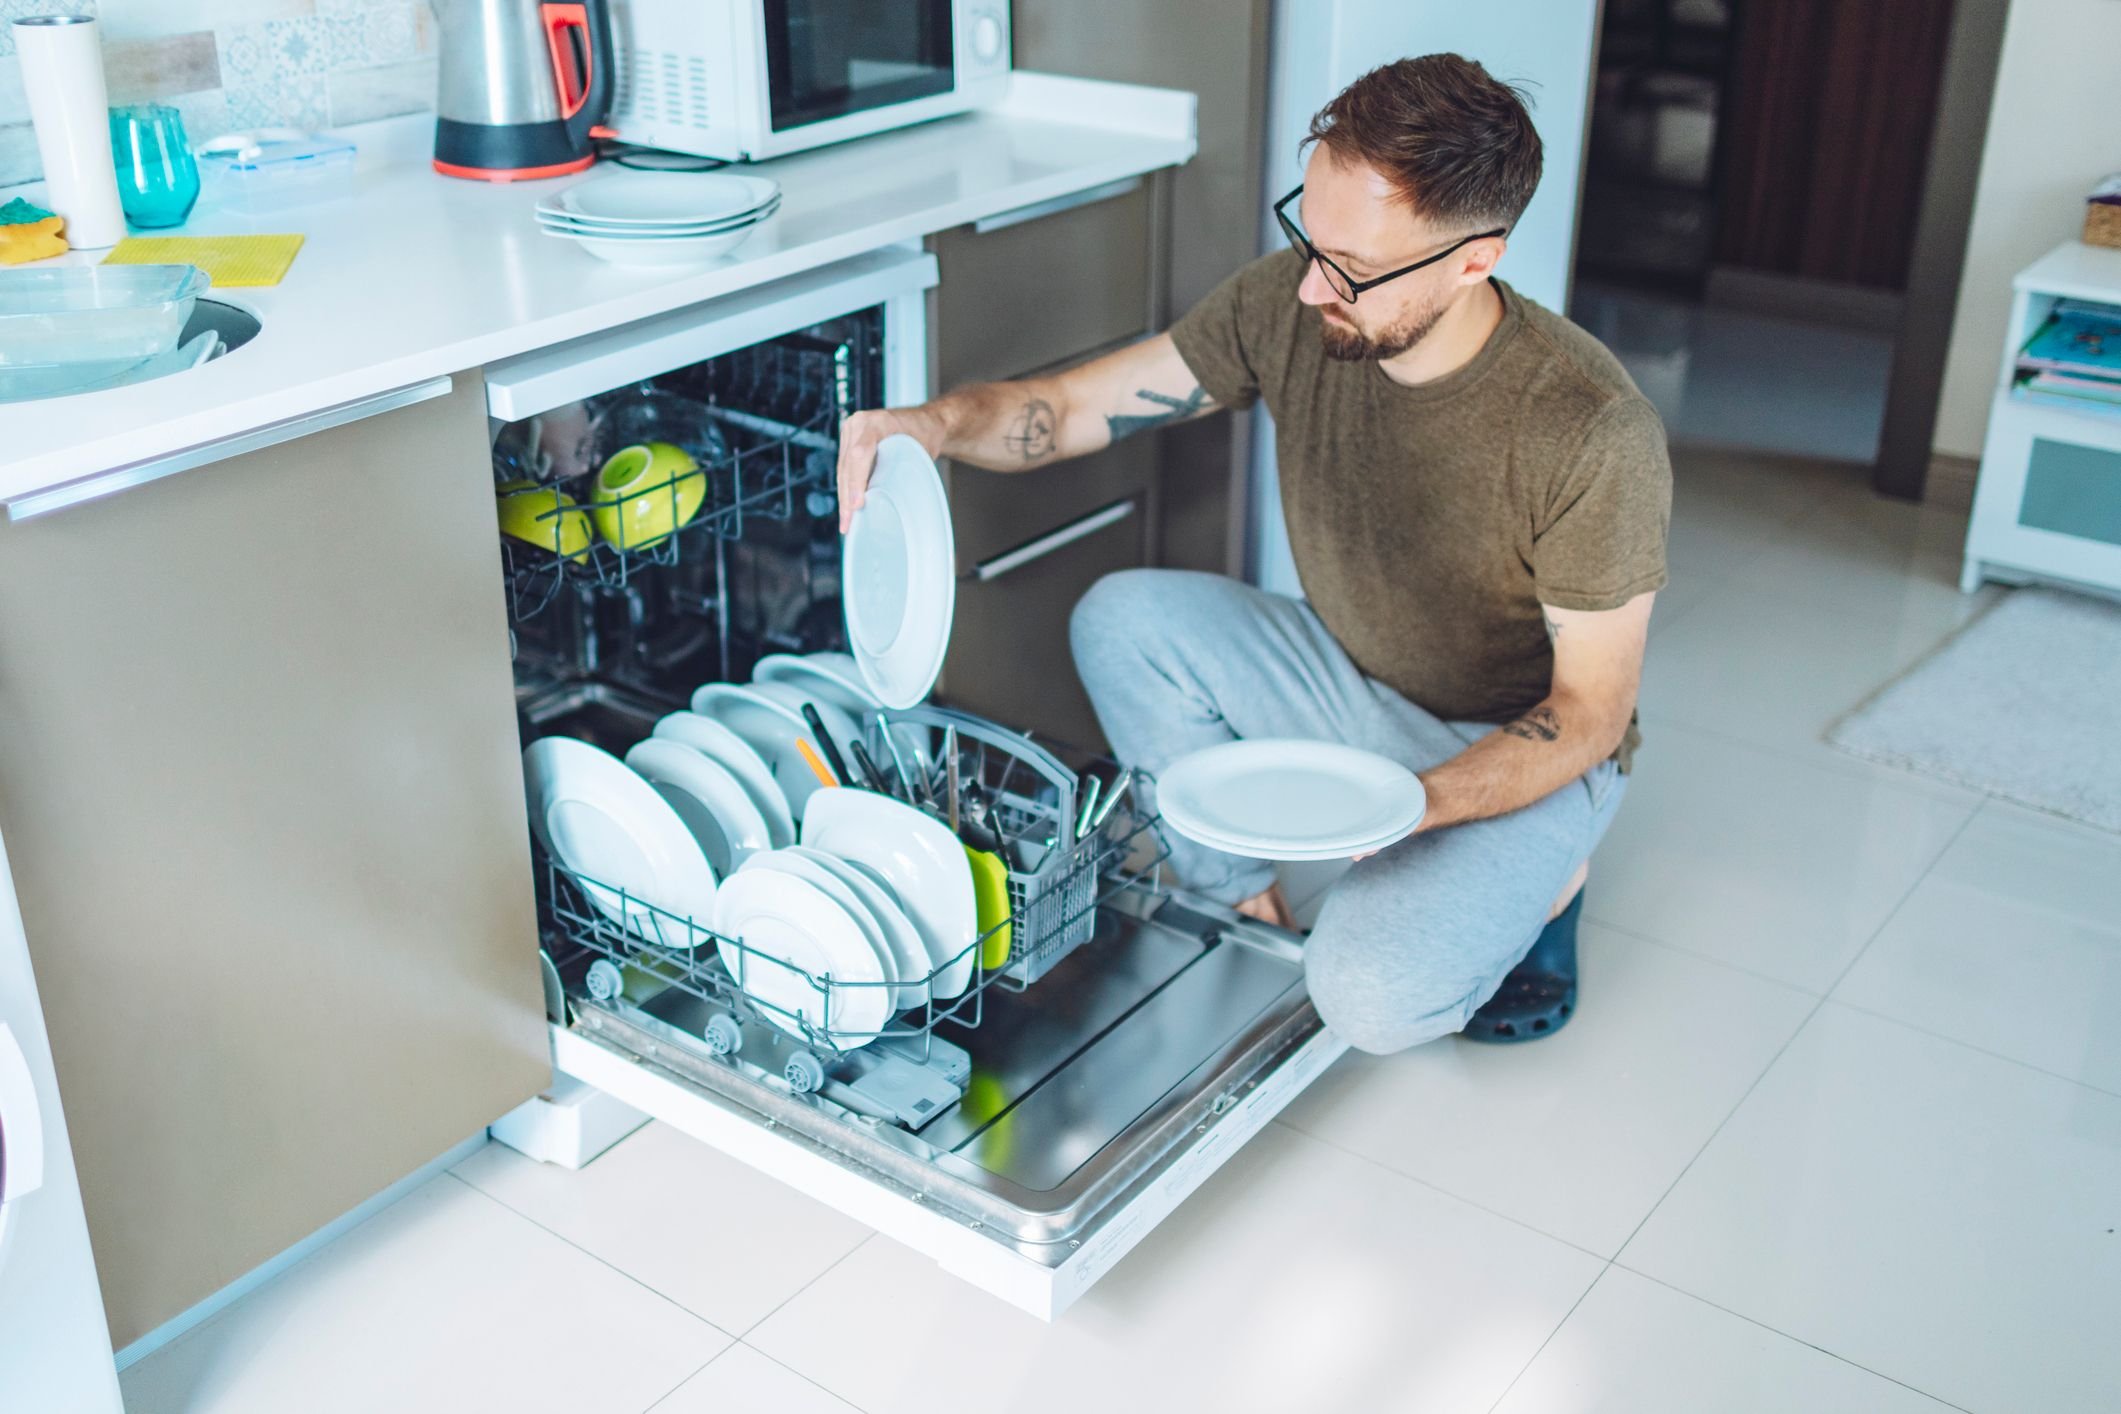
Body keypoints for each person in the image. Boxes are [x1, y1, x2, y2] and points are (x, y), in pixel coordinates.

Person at [834, 54, 1670, 1051]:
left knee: (1367, 999)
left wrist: (1402, 810)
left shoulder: (1587, 426)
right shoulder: (1293, 299)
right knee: (1123, 618)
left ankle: (1550, 881)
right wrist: (930, 423)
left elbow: (1587, 714)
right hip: (1352, 679)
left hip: (1517, 744)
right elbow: (1066, 411)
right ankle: (1246, 900)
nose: (1314, 283)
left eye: (1352, 267)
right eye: (1307, 236)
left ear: (1473, 261)